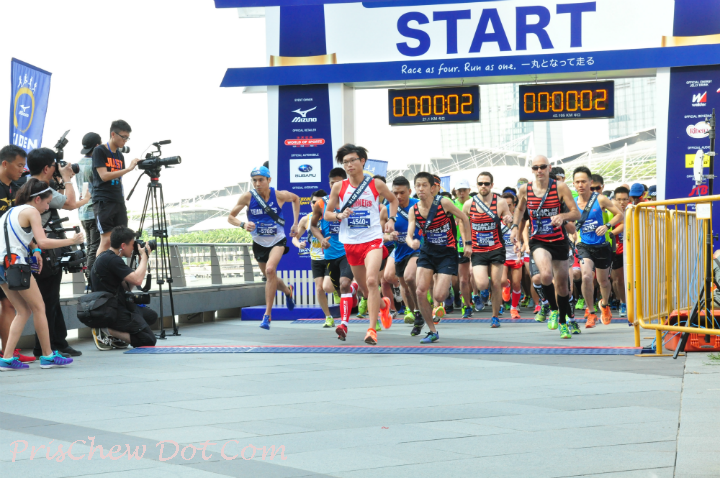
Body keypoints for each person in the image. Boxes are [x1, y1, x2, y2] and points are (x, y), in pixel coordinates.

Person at [0, 179, 84, 371]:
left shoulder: (11, 211)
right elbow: (43, 241)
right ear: (37, 199)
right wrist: (71, 240)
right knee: (39, 307)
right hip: (17, 265)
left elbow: (18, 236)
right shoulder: (31, 212)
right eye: (47, 202)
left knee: (23, 311)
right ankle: (47, 355)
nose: (47, 207)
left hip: (2, 266)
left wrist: (34, 250)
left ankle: (6, 358)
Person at [324, 144, 398, 345]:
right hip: (350, 243)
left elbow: (393, 200)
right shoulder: (339, 187)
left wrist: (391, 219)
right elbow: (327, 214)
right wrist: (339, 214)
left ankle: (371, 330)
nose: (349, 165)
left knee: (373, 281)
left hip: (372, 240)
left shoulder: (375, 184)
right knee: (366, 289)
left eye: (352, 160)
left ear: (362, 161)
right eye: (345, 162)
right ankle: (383, 305)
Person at [510, 155, 581, 339]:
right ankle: (554, 310)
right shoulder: (525, 189)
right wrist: (515, 228)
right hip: (538, 241)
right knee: (546, 275)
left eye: (542, 167)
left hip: (558, 241)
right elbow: (519, 210)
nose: (539, 171)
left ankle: (563, 323)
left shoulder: (560, 187)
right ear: (532, 170)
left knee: (564, 287)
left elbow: (576, 213)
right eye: (535, 168)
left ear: (549, 168)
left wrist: (562, 217)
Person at [28, 147, 89, 358]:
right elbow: (71, 203)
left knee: (50, 299)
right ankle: (46, 348)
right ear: (47, 168)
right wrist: (68, 179)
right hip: (43, 251)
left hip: (42, 250)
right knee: (47, 300)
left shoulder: (29, 186)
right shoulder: (39, 188)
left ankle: (57, 343)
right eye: (54, 165)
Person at [228, 166, 299, 330]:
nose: (257, 183)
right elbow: (230, 217)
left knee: (270, 270)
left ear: (269, 180)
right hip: (259, 242)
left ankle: (267, 315)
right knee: (270, 276)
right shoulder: (247, 197)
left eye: (261, 180)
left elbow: (295, 198)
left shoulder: (279, 195)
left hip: (277, 240)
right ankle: (288, 291)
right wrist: (243, 224)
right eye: (254, 180)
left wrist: (295, 223)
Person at [407, 172, 471, 343]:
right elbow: (409, 233)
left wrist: (468, 243)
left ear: (432, 188)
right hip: (427, 252)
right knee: (420, 291)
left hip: (447, 253)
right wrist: (411, 241)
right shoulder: (414, 210)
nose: (421, 189)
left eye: (424, 185)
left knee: (440, 296)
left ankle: (442, 299)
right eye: (418, 185)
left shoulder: (444, 203)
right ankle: (432, 330)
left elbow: (464, 218)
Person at [90, 226, 158, 350]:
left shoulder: (109, 257)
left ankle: (117, 336)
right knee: (148, 340)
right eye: (132, 245)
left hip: (114, 306)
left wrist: (140, 262)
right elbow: (138, 280)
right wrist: (144, 258)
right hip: (110, 310)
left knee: (151, 315)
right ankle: (106, 330)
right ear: (123, 246)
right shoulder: (112, 260)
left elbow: (128, 287)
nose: (134, 248)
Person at [573, 167, 624, 328]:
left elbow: (620, 215)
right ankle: (590, 312)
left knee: (603, 281)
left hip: (602, 245)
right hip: (584, 246)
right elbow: (569, 223)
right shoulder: (572, 203)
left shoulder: (600, 199)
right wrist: (571, 236)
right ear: (574, 184)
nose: (580, 185)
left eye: (583, 181)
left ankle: (605, 305)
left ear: (590, 182)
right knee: (587, 276)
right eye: (577, 182)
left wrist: (607, 225)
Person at [310, 168, 360, 330]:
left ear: (345, 183)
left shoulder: (354, 201)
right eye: (332, 183)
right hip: (330, 254)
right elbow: (313, 226)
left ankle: (344, 325)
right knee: (337, 289)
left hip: (349, 251)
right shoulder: (321, 204)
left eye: (338, 183)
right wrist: (321, 239)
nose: (334, 186)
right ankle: (357, 292)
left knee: (344, 283)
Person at [463, 172, 512, 328]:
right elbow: (463, 224)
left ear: (491, 185)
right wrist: (467, 243)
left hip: (496, 247)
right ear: (476, 186)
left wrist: (508, 220)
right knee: (482, 283)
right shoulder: (469, 204)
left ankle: (495, 316)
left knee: (496, 283)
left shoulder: (501, 202)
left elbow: (509, 220)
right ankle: (484, 292)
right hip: (478, 249)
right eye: (480, 184)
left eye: (486, 183)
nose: (483, 186)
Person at [0, 145, 34, 364]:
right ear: (5, 163)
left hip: (7, 257)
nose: (23, 170)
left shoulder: (15, 189)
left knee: (9, 304)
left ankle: (7, 352)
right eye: (19, 165)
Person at [92, 120, 141, 256]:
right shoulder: (99, 150)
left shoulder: (120, 155)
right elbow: (104, 176)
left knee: (121, 241)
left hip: (118, 200)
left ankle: (116, 273)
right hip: (103, 201)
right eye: (123, 137)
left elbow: (118, 179)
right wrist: (129, 169)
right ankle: (99, 275)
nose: (125, 140)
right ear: (113, 134)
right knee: (107, 241)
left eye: (127, 137)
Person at [384, 176, 423, 333]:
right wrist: (388, 236)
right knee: (404, 288)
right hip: (400, 251)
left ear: (409, 191)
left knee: (409, 276)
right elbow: (381, 234)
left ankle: (421, 309)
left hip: (418, 250)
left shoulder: (418, 205)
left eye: (402, 193)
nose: (398, 196)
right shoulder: (388, 209)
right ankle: (416, 313)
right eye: (395, 193)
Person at [292, 190, 334, 327]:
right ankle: (328, 317)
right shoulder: (306, 219)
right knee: (319, 288)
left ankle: (341, 290)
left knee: (328, 287)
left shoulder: (330, 216)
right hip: (315, 258)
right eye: (313, 202)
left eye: (319, 202)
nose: (315, 204)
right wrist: (299, 244)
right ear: (310, 204)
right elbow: (294, 238)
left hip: (330, 256)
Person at [77, 132, 102, 288]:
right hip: (94, 210)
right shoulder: (95, 164)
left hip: (82, 211)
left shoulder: (78, 164)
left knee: (90, 245)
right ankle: (91, 278)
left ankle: (89, 277)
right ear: (97, 146)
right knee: (95, 246)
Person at [453, 179, 474, 318]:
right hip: (459, 246)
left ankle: (478, 295)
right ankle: (466, 305)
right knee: (463, 279)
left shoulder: (475, 202)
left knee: (476, 276)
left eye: (464, 190)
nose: (461, 193)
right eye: (459, 190)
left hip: (477, 244)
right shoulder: (451, 204)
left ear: (469, 191)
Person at [501, 192, 524, 320]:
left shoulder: (518, 218)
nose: (507, 208)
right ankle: (506, 286)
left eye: (509, 205)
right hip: (502, 256)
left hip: (515, 255)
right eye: (504, 205)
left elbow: (521, 235)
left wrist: (520, 250)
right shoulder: (497, 219)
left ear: (514, 205)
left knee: (517, 283)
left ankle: (514, 308)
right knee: (503, 280)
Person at [611, 186, 630, 319]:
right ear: (614, 200)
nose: (622, 202)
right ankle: (622, 302)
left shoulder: (634, 211)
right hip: (615, 251)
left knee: (627, 279)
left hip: (629, 251)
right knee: (617, 280)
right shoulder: (610, 213)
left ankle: (626, 303)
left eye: (624, 199)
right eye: (619, 200)